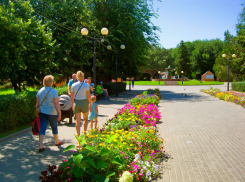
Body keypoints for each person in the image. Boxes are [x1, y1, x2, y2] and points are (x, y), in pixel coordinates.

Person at [35, 75, 62, 152]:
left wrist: (36, 113)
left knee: (42, 128)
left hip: (42, 112)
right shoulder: (53, 91)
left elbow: (37, 103)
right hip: (52, 112)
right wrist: (59, 113)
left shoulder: (40, 91)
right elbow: (56, 103)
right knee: (54, 127)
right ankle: (56, 141)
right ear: (51, 82)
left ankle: (40, 145)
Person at [71, 71, 92, 135]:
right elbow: (88, 97)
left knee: (78, 121)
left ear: (77, 77)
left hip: (76, 103)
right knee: (85, 119)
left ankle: (78, 135)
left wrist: (72, 105)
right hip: (84, 102)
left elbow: (72, 97)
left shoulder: (73, 85)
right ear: (83, 77)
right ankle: (84, 133)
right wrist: (90, 105)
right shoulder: (86, 85)